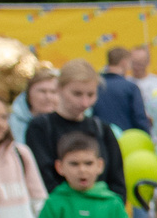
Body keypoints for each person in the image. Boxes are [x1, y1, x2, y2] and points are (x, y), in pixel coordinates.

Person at [26, 62, 128, 200]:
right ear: (59, 89)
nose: (84, 103)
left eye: (90, 95)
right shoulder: (41, 128)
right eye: (77, 94)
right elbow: (43, 179)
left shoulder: (102, 129)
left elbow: (117, 181)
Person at [95, 46, 152, 134]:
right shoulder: (131, 87)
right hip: (126, 139)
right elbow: (140, 118)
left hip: (101, 136)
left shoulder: (96, 85)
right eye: (131, 62)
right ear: (124, 62)